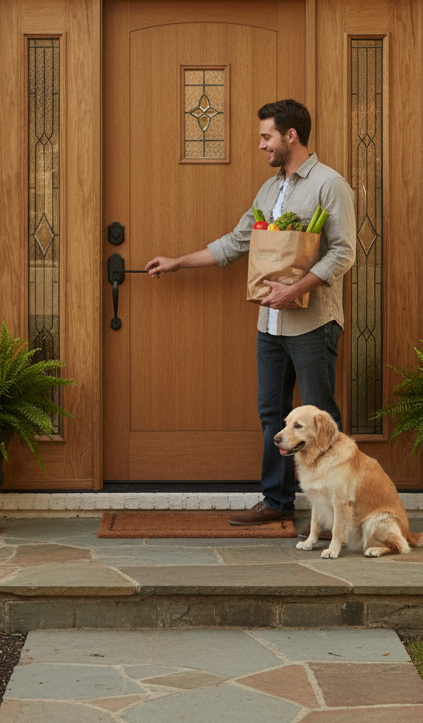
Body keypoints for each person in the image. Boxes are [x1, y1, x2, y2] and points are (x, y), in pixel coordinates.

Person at [145, 99, 356, 525]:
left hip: (313, 324)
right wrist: (177, 262)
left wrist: (294, 288)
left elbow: (344, 252)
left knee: (320, 418)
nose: (261, 145)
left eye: (266, 136)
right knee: (272, 417)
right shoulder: (269, 190)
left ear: (289, 136)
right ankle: (277, 502)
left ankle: (336, 508)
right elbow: (236, 243)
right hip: (270, 324)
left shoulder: (329, 184)